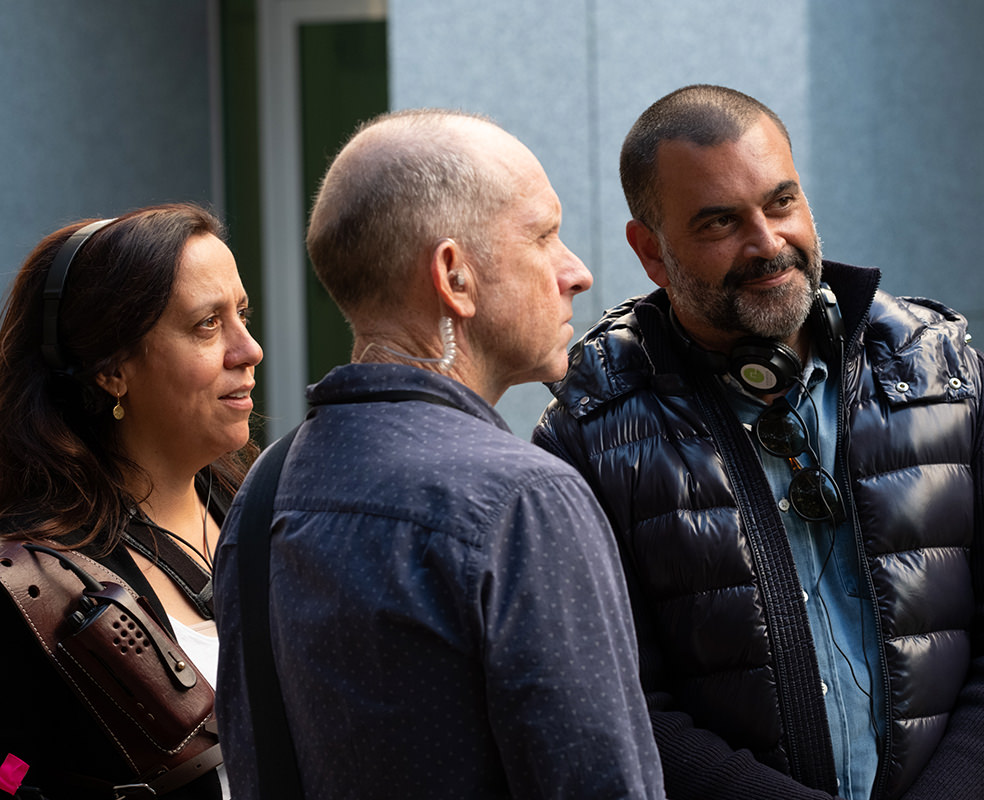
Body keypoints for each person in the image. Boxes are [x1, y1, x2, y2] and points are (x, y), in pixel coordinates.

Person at [533, 84, 984, 800]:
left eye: (781, 203)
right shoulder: (586, 431)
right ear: (652, 253)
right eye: (721, 222)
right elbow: (614, 696)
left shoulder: (945, 370)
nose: (767, 244)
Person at [212, 108, 666, 799]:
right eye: (544, 237)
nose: (576, 273)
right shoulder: (523, 500)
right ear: (454, 276)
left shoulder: (263, 494)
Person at [0, 203, 263, 799]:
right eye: (206, 325)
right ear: (113, 369)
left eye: (242, 314)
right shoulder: (27, 580)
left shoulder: (269, 510)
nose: (249, 350)